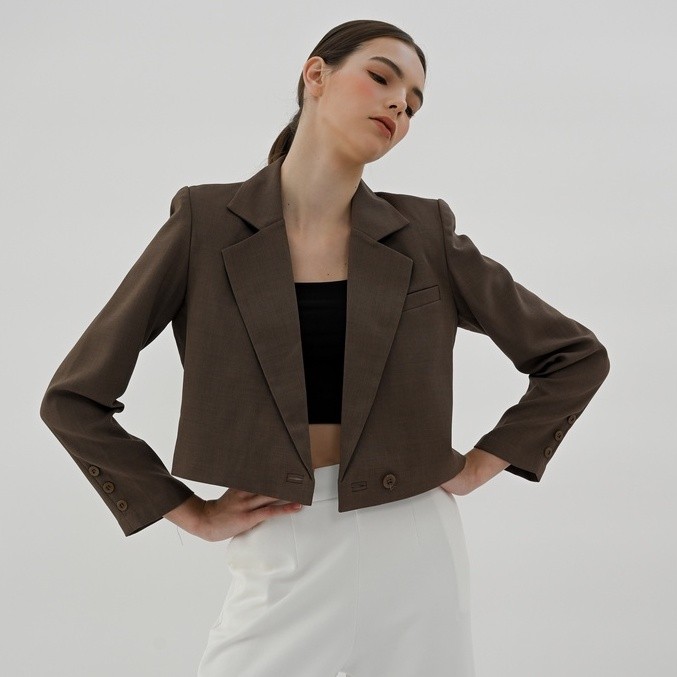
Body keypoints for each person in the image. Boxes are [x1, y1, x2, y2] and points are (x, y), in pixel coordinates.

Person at [40, 19, 610, 677]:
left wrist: (481, 464)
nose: (398, 105)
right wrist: (188, 512)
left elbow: (574, 355)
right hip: (280, 538)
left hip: (414, 541)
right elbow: (73, 400)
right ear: (316, 75)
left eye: (413, 104)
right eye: (381, 77)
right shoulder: (205, 223)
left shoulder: (423, 232)